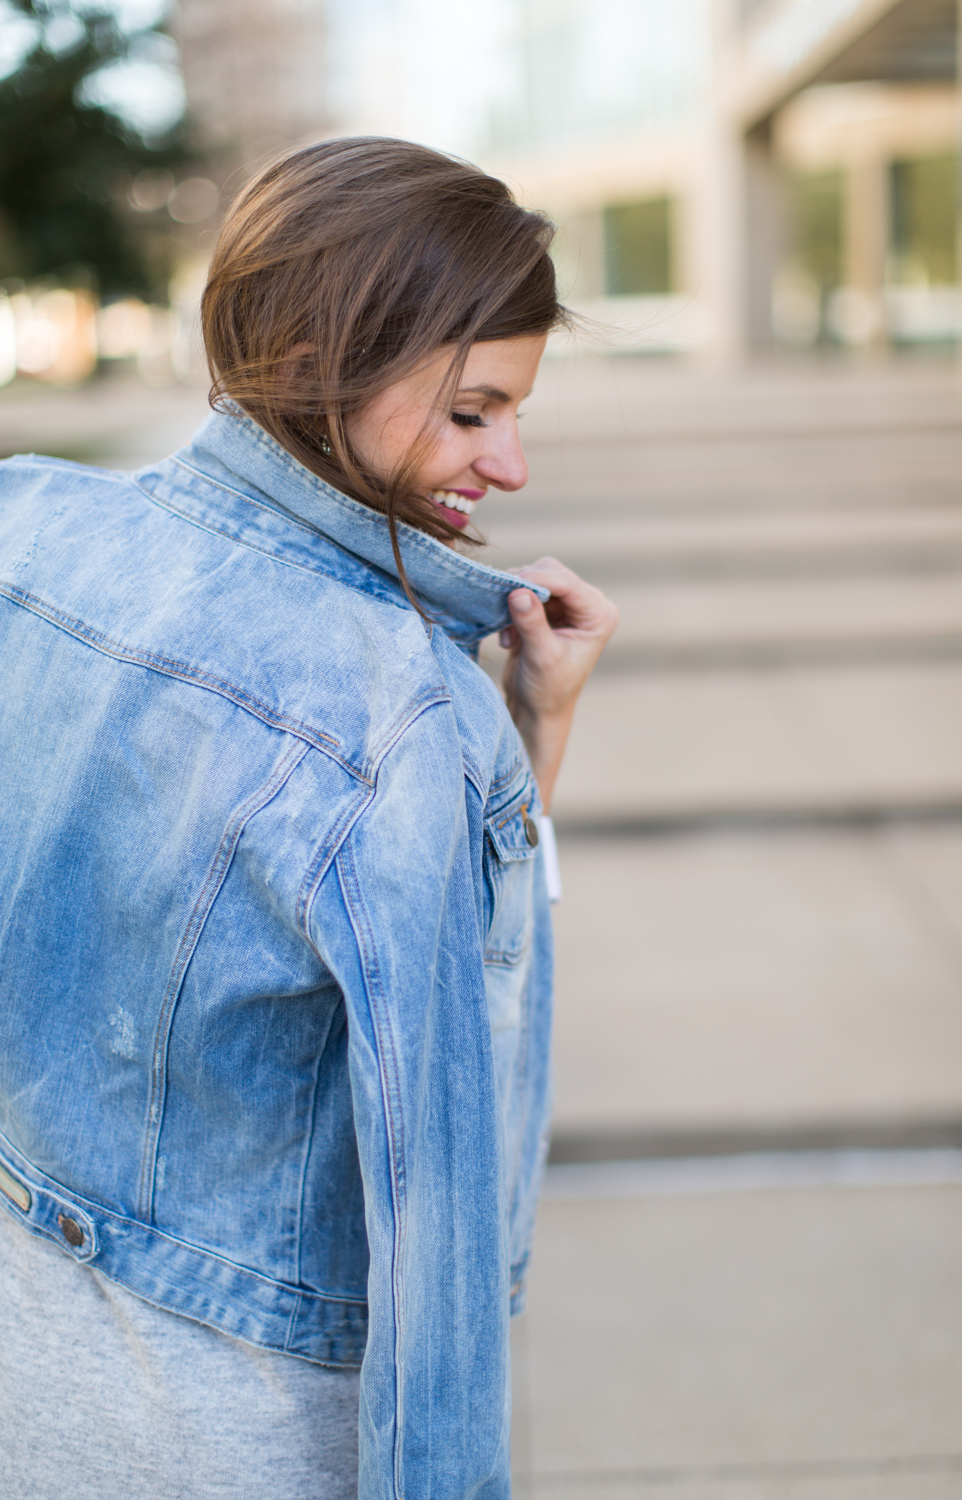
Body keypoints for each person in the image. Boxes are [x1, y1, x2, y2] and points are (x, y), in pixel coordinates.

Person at [0, 137, 617, 1499]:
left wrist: (523, 736)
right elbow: (437, 1229)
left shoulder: (27, 531)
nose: (510, 466)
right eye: (472, 412)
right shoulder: (398, 718)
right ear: (327, 364)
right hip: (230, 1423)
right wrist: (510, 749)